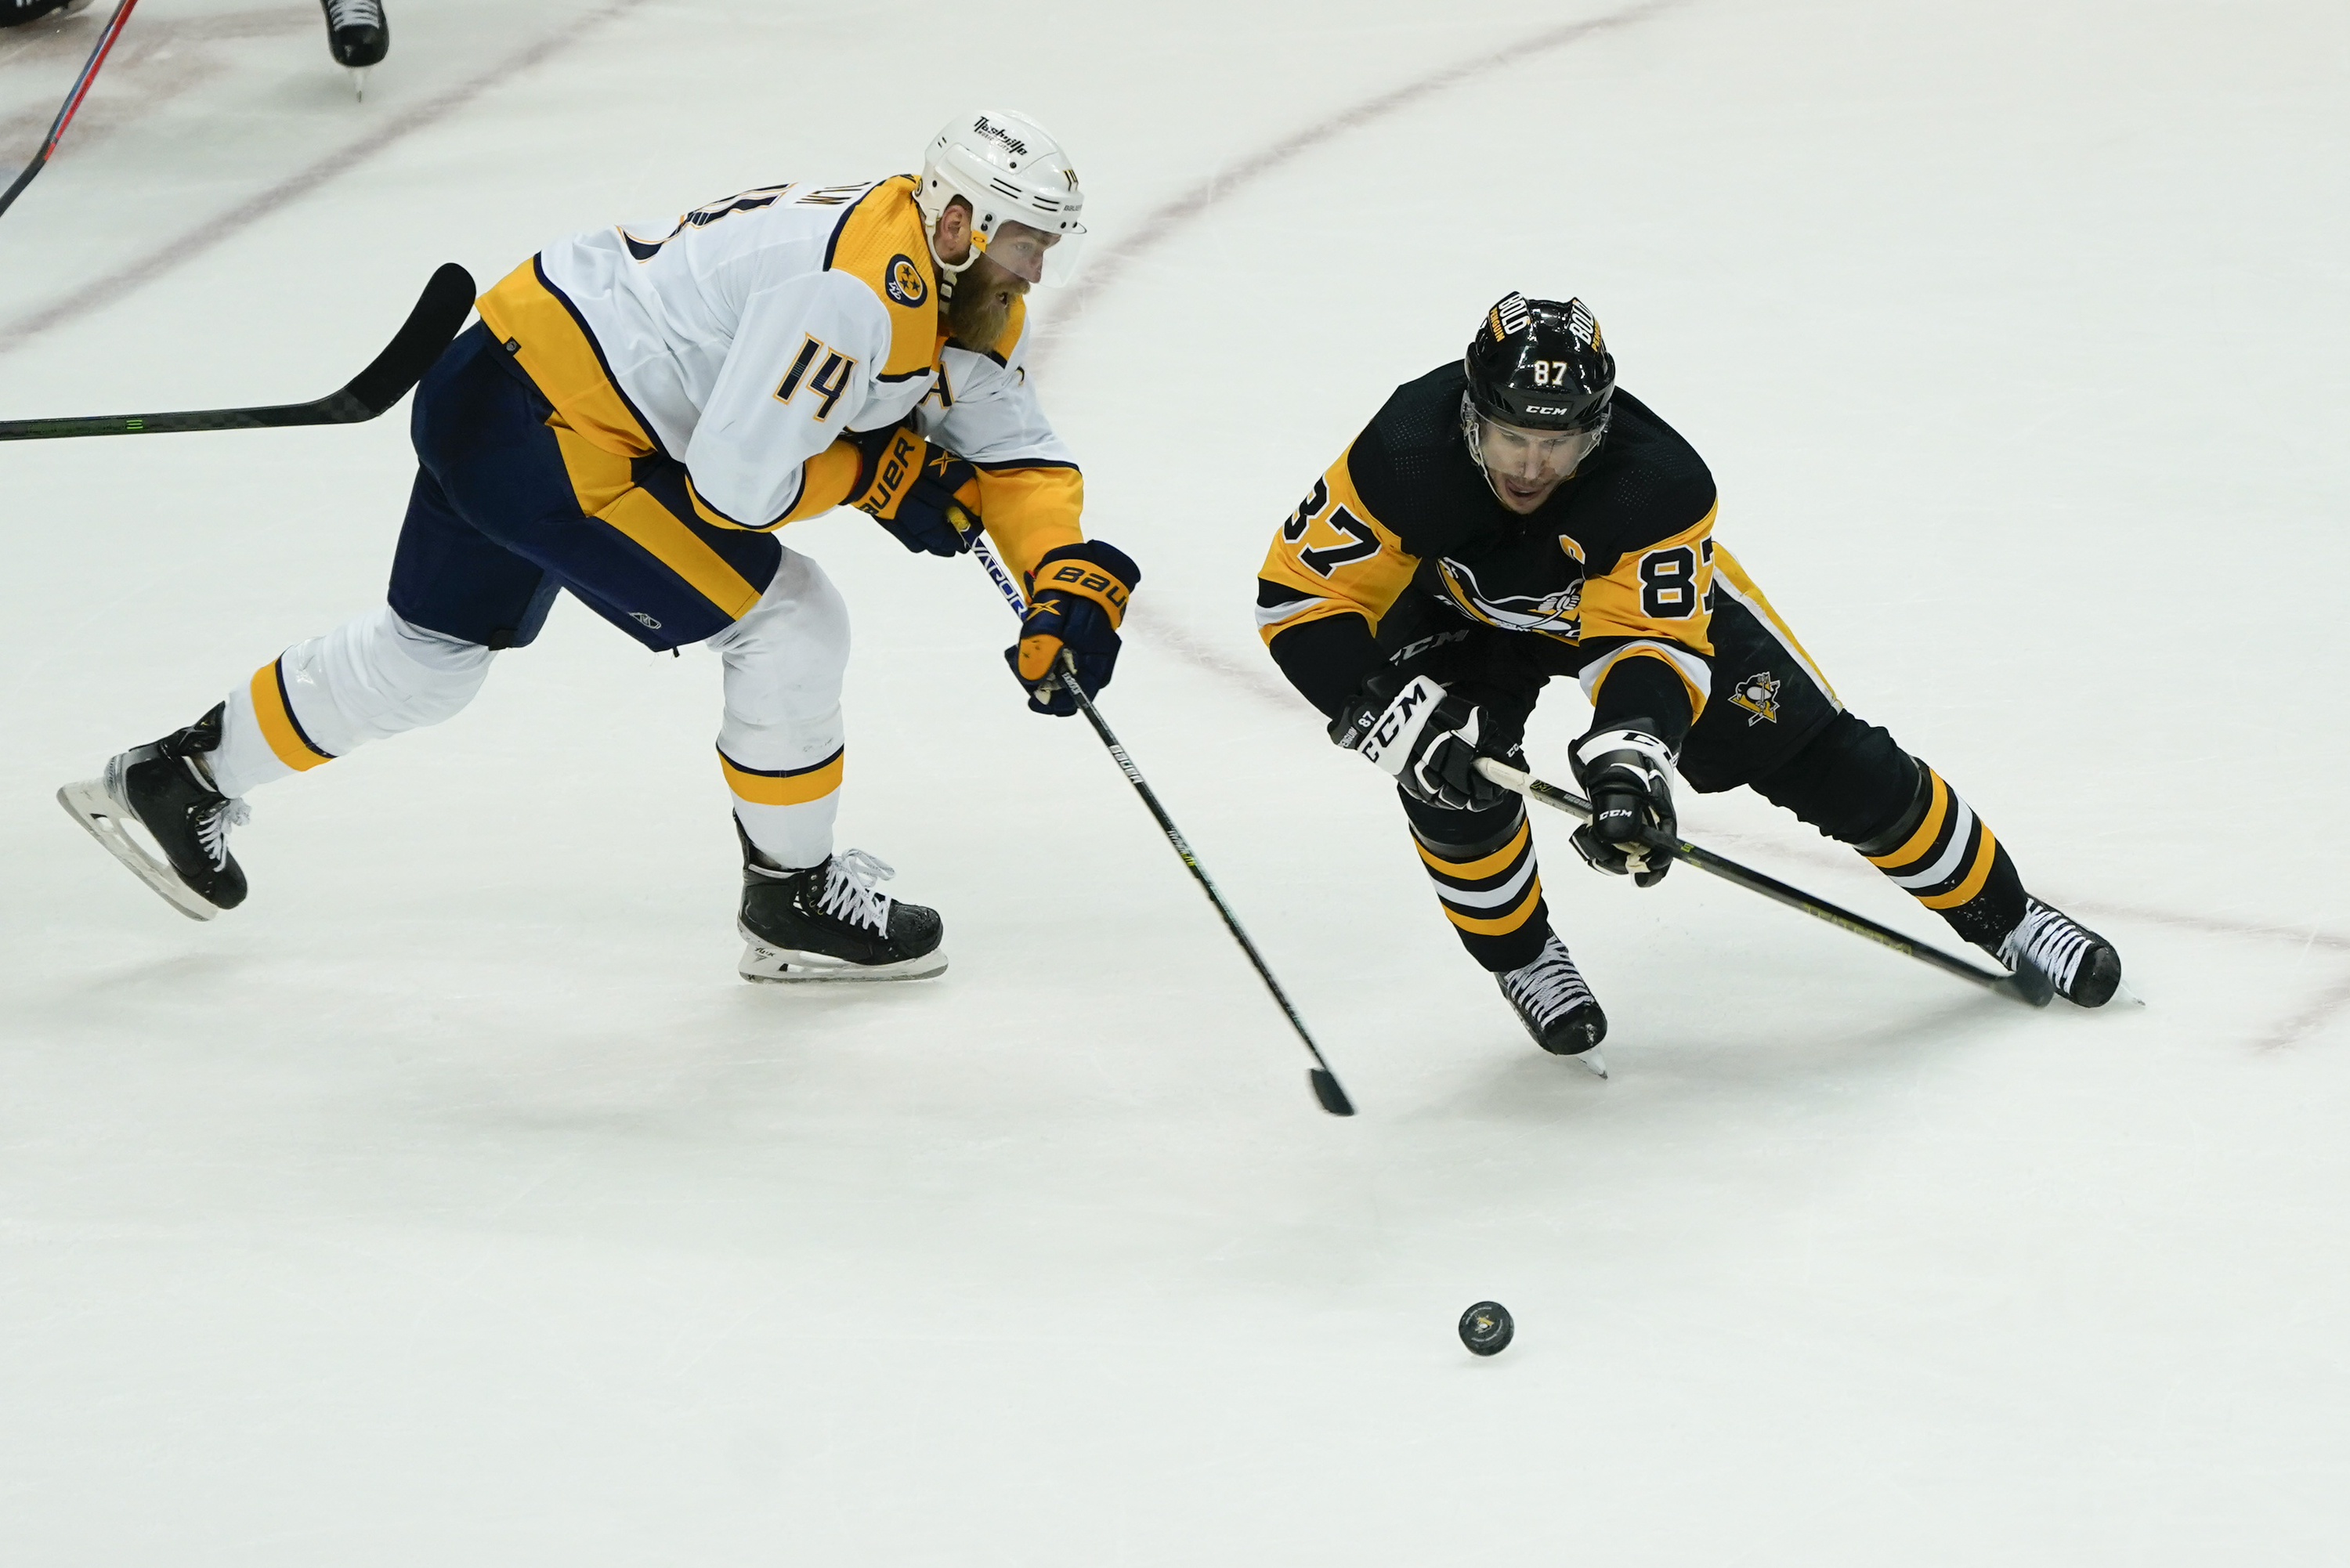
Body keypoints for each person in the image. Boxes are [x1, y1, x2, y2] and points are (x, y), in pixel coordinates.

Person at [60, 109, 1140, 983]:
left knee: (426, 660)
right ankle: (792, 897)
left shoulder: (953, 285)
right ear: (955, 219)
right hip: (557, 432)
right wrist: (875, 476)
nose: (1035, 270)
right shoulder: (857, 294)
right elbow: (735, 484)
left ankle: (180, 777)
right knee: (792, 622)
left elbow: (1014, 453)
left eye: (1045, 243)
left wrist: (1063, 573)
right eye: (1020, 240)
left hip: (500, 385)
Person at [1255, 292, 2120, 1069]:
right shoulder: (1403, 450)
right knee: (1454, 781)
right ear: (1471, 417)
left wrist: (1632, 762)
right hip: (1458, 614)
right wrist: (1403, 727)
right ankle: (1524, 958)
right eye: (1514, 437)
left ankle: (2009, 915)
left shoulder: (1657, 483)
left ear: (1596, 430)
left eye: (1556, 444)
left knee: (1831, 761)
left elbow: (1650, 644)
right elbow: (1299, 599)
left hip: (1634, 612)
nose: (1529, 467)